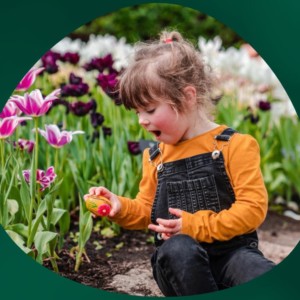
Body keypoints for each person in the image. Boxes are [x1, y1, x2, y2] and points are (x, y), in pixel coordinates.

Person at [84, 30, 275, 296]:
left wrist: (194, 226)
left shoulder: (234, 145)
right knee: (178, 248)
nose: (141, 120)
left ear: (187, 97)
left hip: (232, 253)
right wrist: (119, 207)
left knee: (259, 273)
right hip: (178, 264)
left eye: (149, 110)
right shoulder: (156, 157)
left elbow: (252, 209)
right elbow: (147, 211)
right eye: (138, 112)